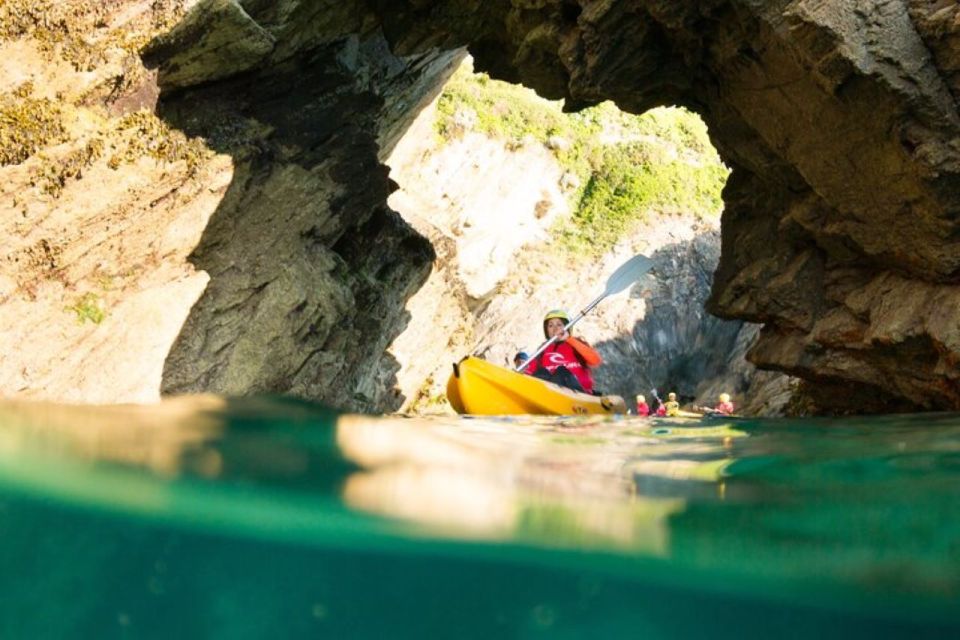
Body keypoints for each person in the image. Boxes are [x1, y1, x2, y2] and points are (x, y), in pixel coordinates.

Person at [524, 309, 602, 394]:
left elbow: (595, 360)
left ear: (567, 327)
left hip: (579, 394)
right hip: (550, 394)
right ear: (547, 330)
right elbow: (528, 373)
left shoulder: (576, 343)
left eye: (559, 324)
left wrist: (569, 339)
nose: (555, 329)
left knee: (561, 372)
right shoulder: (543, 349)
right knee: (540, 372)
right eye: (550, 326)